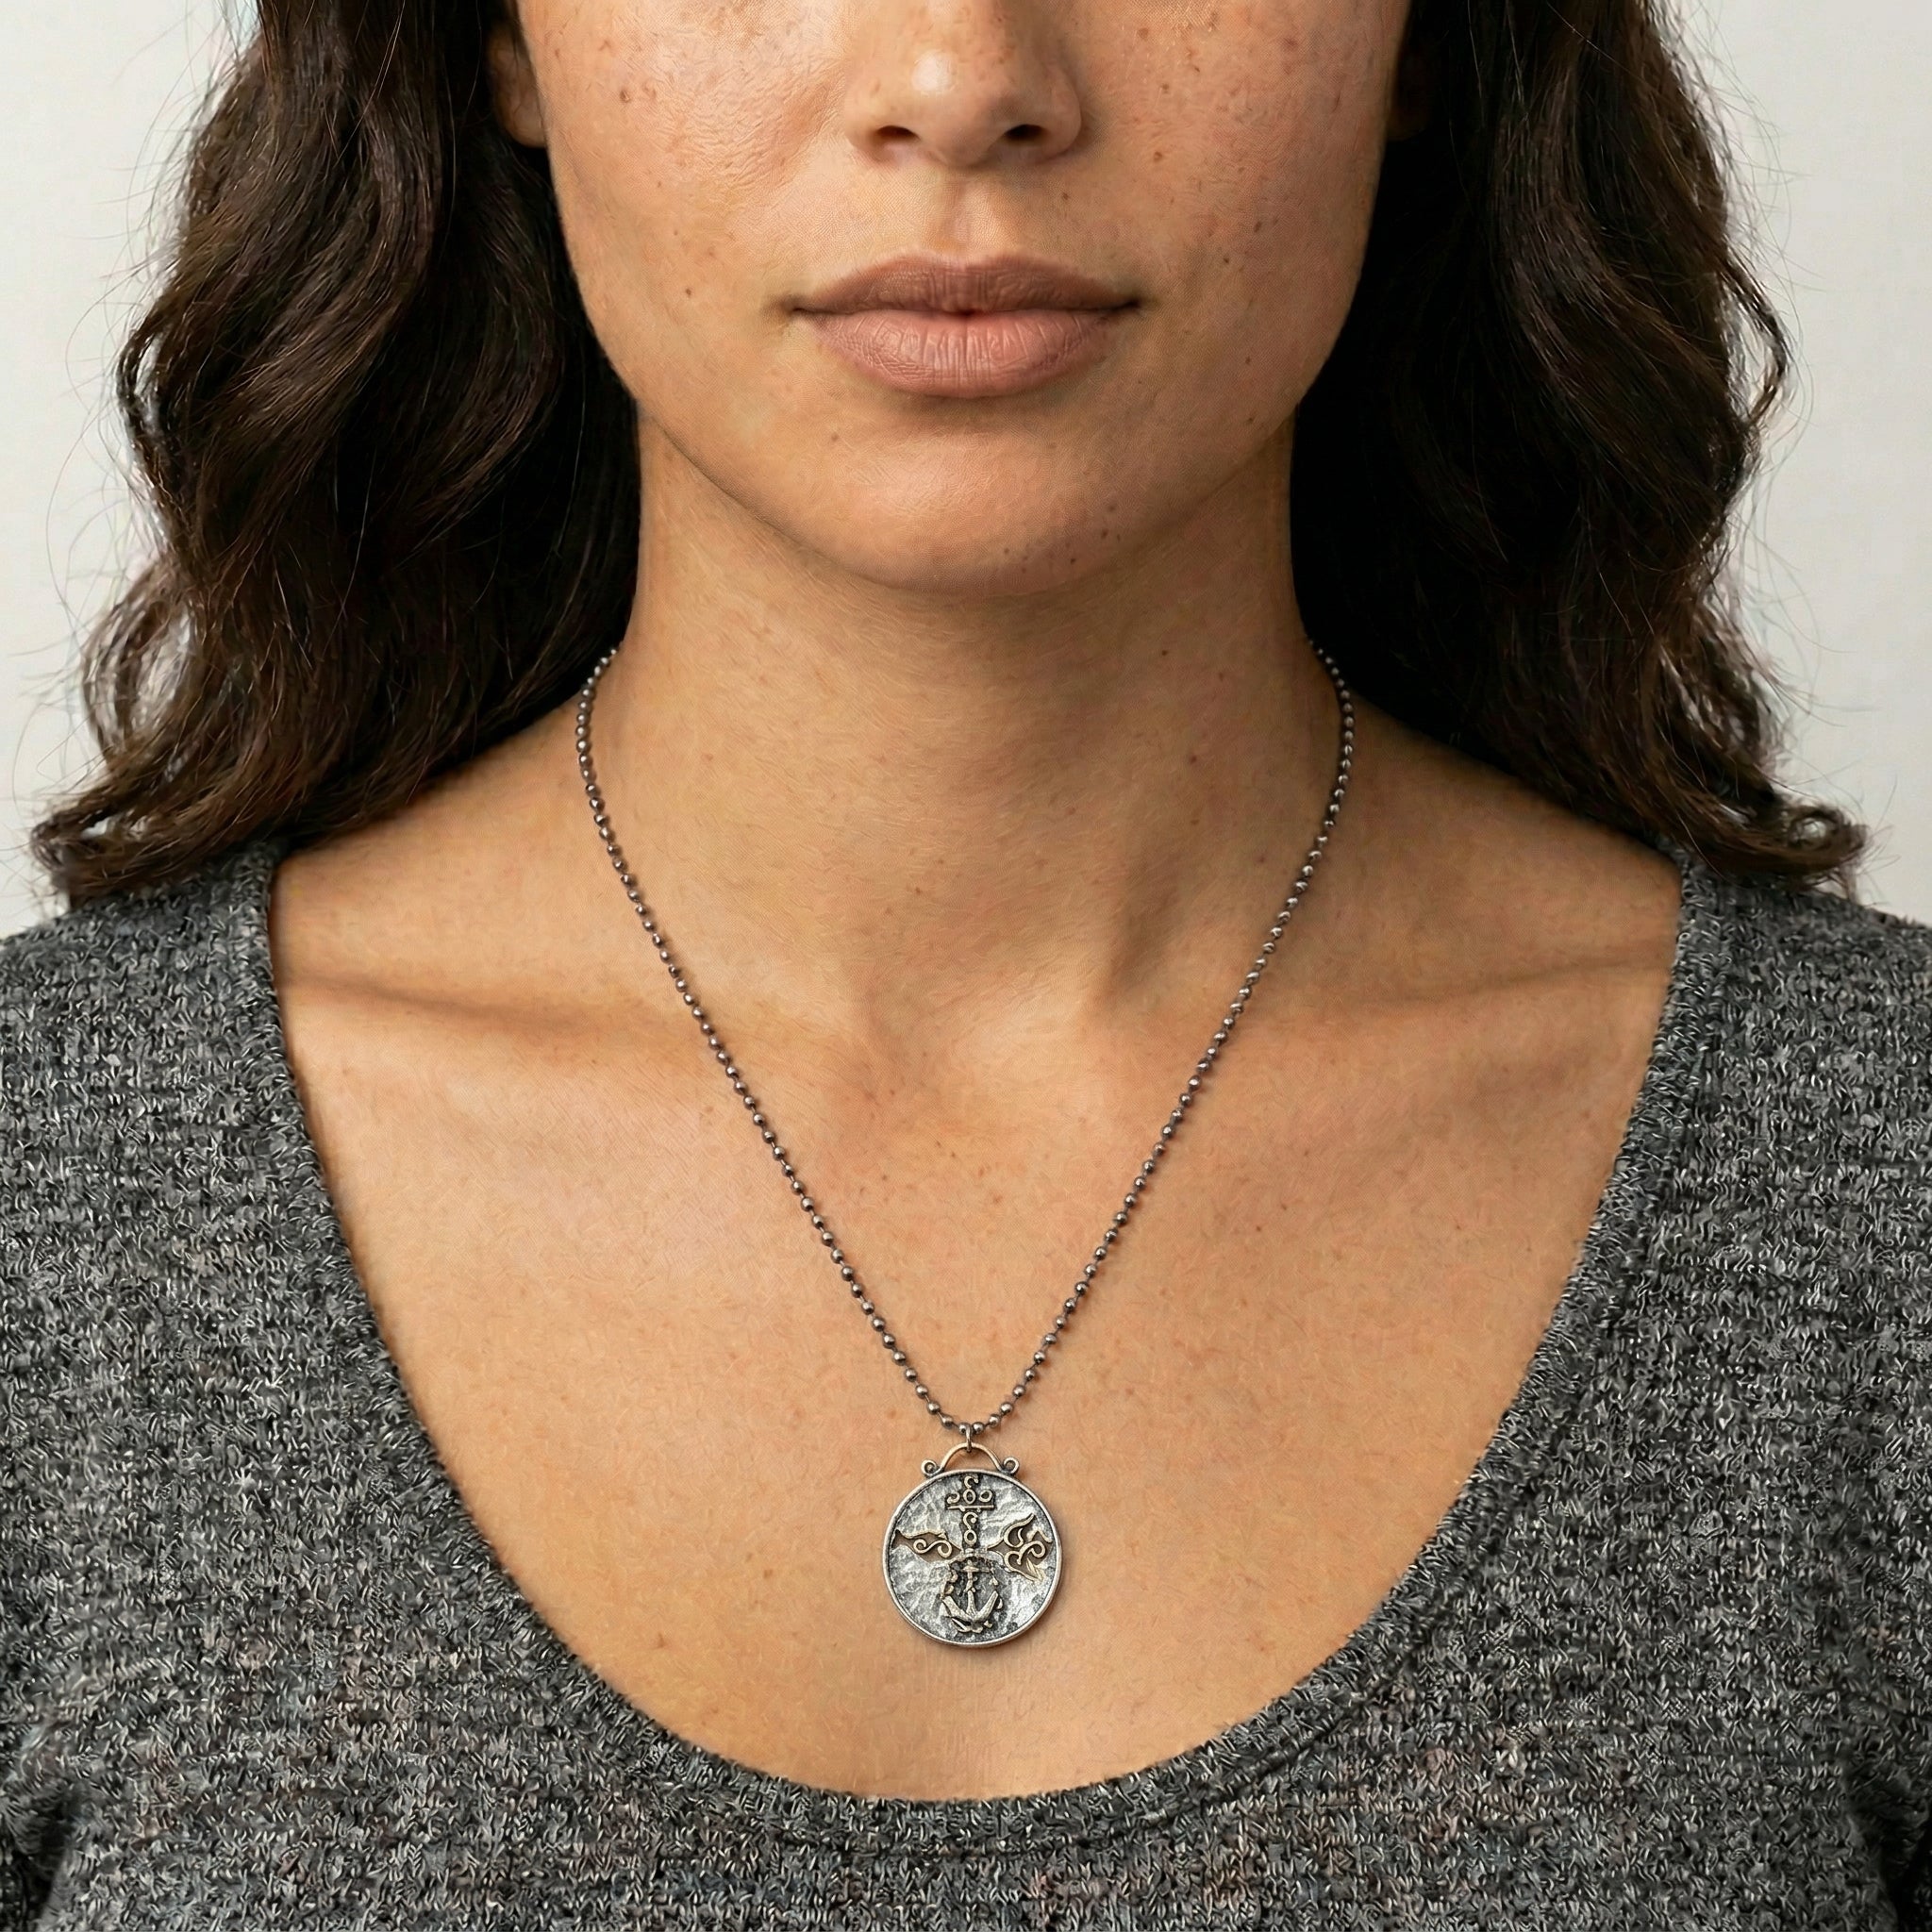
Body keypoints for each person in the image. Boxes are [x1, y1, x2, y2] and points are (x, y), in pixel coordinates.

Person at [3, 0, 1926, 1921]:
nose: (963, 78)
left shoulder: (1878, 1189)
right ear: (492, 41)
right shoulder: (48, 1207)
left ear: (1431, 38)